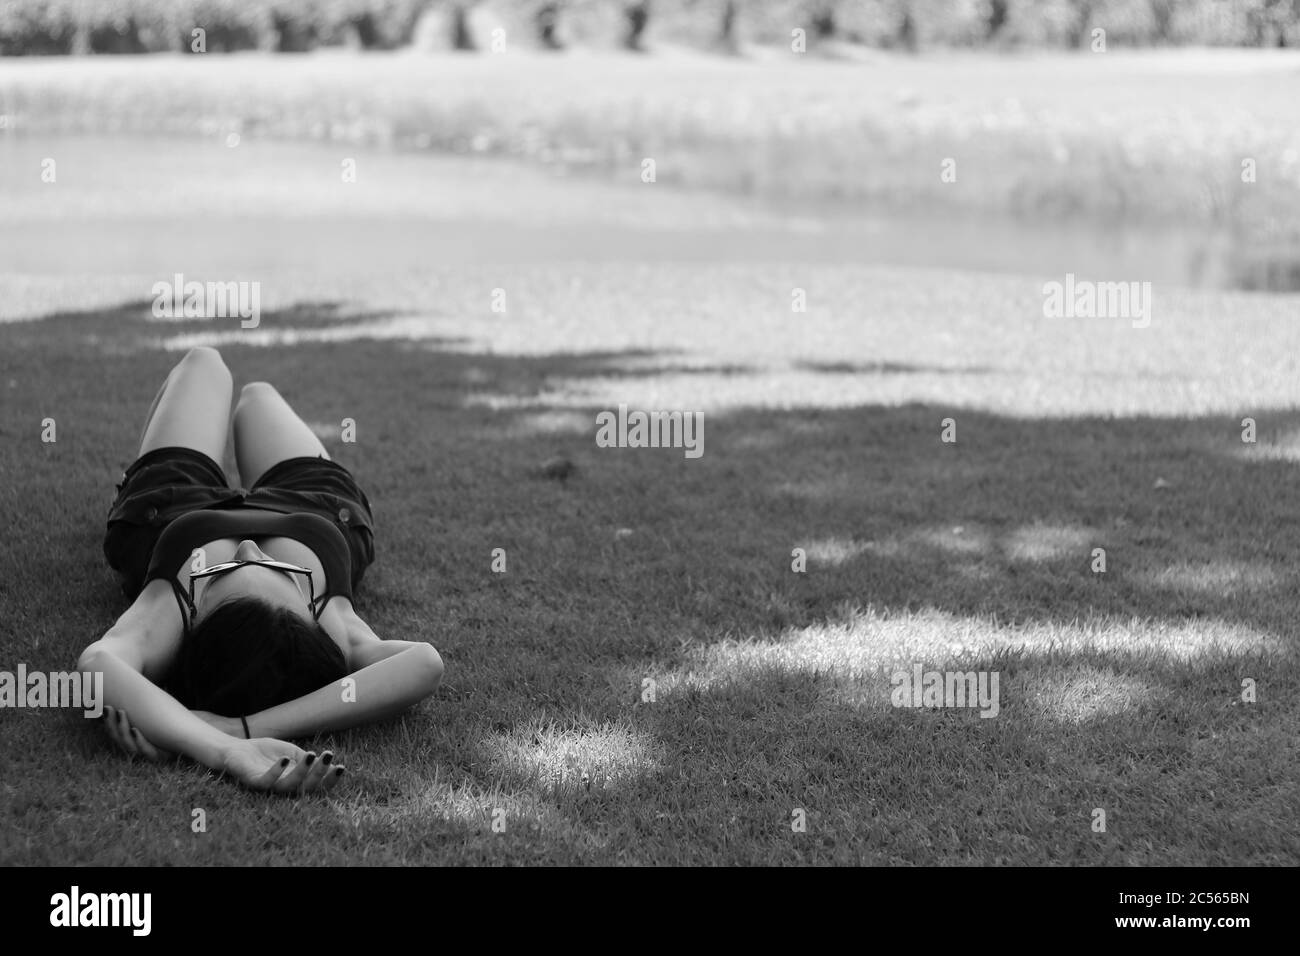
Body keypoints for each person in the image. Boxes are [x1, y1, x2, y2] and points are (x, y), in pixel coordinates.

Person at [77, 347, 443, 795]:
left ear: (198, 621)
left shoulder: (168, 615)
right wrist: (244, 728)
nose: (251, 547)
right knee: (257, 398)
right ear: (308, 615)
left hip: (173, 503)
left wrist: (220, 746)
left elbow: (96, 665)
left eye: (227, 571)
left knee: (204, 363)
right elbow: (425, 662)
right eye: (283, 572)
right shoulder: (333, 629)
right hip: (315, 503)